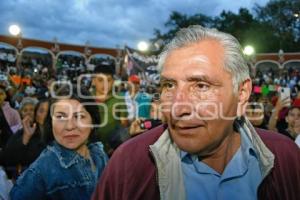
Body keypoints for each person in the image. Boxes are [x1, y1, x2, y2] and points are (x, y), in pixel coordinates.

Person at [92, 25, 300, 200]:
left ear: (242, 93)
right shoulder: (128, 165)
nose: (177, 107)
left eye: (201, 86)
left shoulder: (286, 158)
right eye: (169, 85)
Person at [10, 86, 108, 200]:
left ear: (93, 122)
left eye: (80, 116)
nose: (70, 126)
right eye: (60, 117)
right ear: (51, 123)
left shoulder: (99, 154)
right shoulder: (42, 170)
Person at [91, 62, 128, 153]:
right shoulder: (86, 98)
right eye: (100, 80)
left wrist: (117, 143)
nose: (105, 84)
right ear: (93, 81)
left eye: (108, 80)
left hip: (111, 150)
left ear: (113, 81)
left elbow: (124, 123)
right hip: (89, 149)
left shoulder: (119, 98)